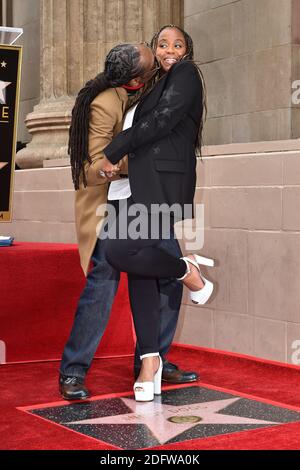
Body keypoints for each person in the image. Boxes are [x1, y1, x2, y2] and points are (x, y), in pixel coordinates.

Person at [59, 41, 199, 401]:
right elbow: (93, 165)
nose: (160, 61)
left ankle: (152, 360)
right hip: (117, 206)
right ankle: (73, 370)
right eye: (154, 61)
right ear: (137, 79)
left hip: (148, 200)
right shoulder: (104, 104)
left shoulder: (156, 91)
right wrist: (137, 159)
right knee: (103, 281)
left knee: (166, 278)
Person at [102, 25, 214, 402]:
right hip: (130, 189)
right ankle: (150, 361)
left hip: (159, 186)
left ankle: (187, 272)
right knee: (136, 268)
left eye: (177, 44)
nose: (169, 50)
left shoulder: (185, 74)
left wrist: (115, 150)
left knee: (121, 252)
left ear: (187, 50)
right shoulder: (150, 86)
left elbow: (162, 121)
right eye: (162, 44)